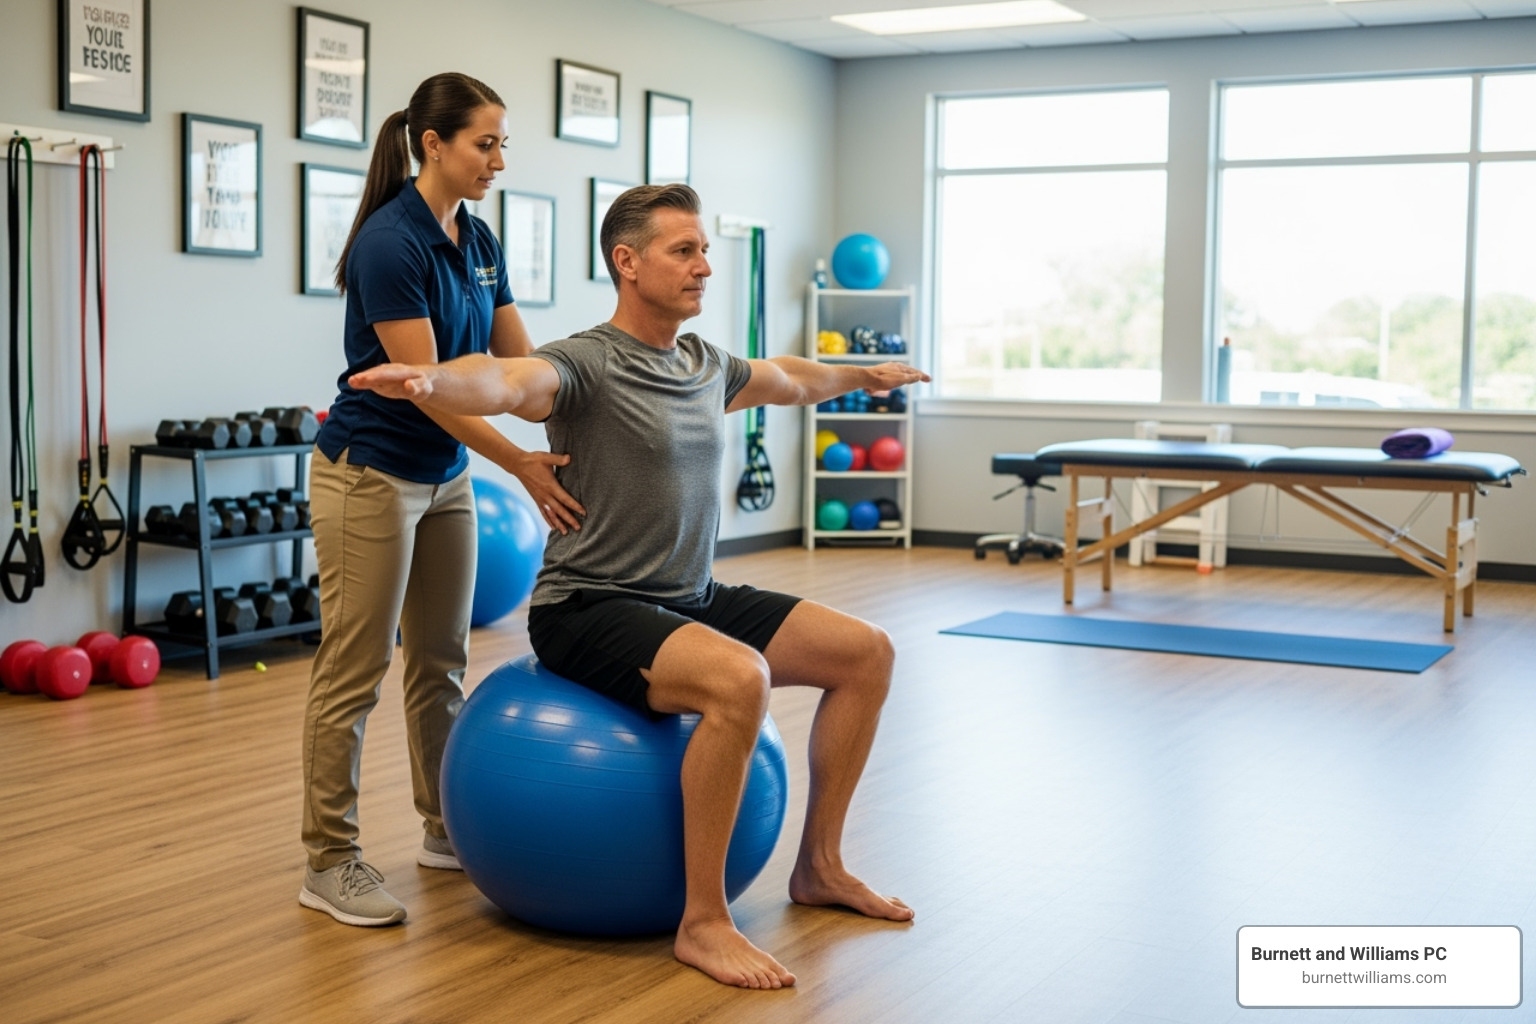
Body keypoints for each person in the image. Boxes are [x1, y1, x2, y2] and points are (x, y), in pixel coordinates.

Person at [350, 183, 928, 987]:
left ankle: (820, 867)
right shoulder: (588, 361)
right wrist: (432, 383)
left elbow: (789, 379)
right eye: (683, 251)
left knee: (867, 652)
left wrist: (863, 373)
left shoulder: (702, 363)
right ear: (627, 262)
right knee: (739, 679)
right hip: (588, 605)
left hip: (686, 594)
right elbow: (510, 382)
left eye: (703, 251)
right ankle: (702, 921)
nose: (703, 268)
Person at [298, 72, 584, 928]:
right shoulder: (393, 243)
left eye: (503, 143)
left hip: (445, 476)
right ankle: (329, 859)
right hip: (371, 473)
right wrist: (524, 466)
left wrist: (579, 401)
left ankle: (442, 827)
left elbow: (515, 363)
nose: (499, 159)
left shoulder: (481, 237)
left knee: (442, 663)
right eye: (484, 143)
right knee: (355, 671)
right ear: (433, 145)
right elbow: (432, 390)